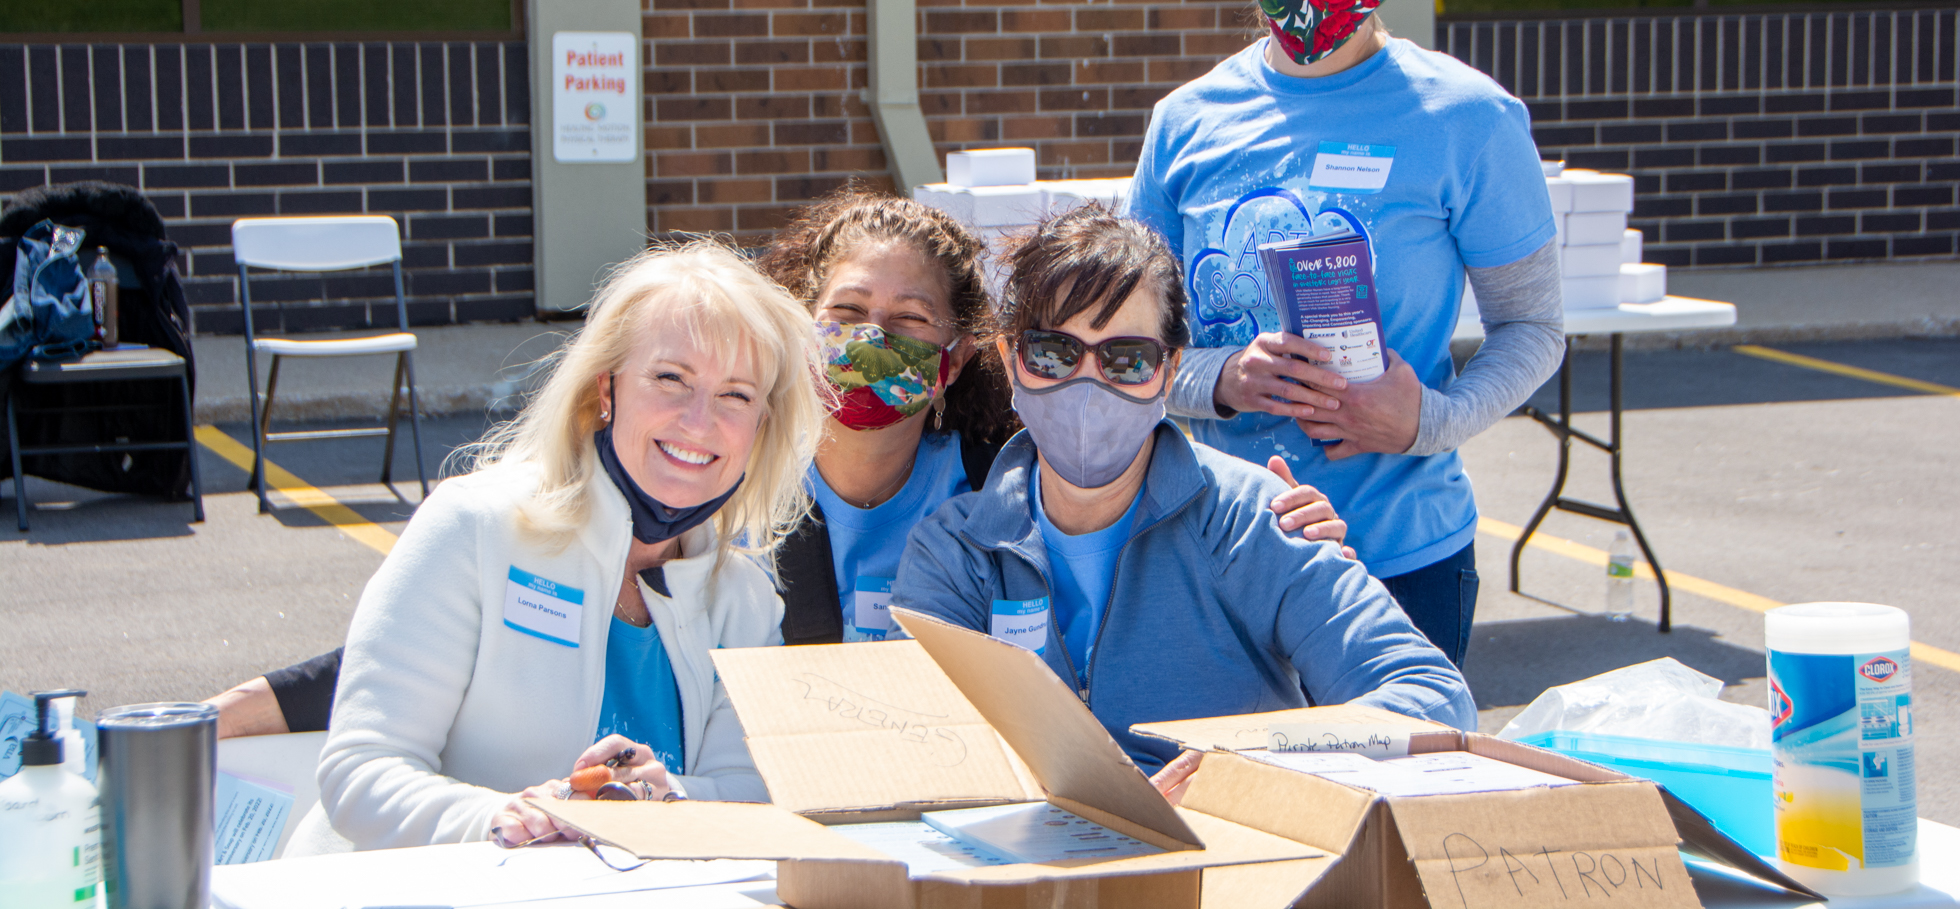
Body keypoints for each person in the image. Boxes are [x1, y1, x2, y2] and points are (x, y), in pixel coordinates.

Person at [210, 191, 1358, 736]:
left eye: (910, 324)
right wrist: (222, 715)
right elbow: (455, 615)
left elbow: (1120, 450)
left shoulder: (995, 484)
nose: (875, 342)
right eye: (845, 311)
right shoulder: (715, 472)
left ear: (960, 358)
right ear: (793, 324)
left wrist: (1273, 520)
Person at [1125, 0, 1565, 667]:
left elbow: (1535, 328)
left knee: (1382, 802)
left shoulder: (1466, 118)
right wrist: (1221, 379)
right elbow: (1127, 346)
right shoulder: (1185, 123)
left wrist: (1427, 421)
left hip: (1398, 558)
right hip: (1218, 550)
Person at [891, 205, 1476, 777]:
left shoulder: (1251, 519)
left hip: (1227, 854)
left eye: (1127, 360)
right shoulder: (955, 552)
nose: (1088, 381)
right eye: (1054, 353)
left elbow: (1429, 698)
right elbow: (915, 735)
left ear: (1170, 372)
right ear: (1010, 359)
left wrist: (1235, 777)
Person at [285, 239, 825, 853]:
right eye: (670, 378)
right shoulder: (474, 528)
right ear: (606, 389)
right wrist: (511, 816)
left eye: (736, 394)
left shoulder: (748, 602)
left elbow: (748, 795)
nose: (699, 421)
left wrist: (667, 795)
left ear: (761, 426)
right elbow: (362, 773)